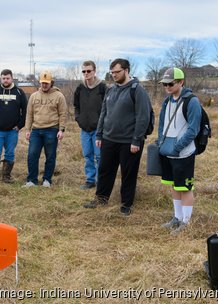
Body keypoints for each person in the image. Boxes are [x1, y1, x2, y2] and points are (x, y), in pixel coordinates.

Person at [83, 58, 152, 215]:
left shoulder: (137, 90)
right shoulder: (111, 89)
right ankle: (101, 198)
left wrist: (136, 139)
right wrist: (99, 134)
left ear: (126, 71)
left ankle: (126, 204)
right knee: (105, 170)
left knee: (128, 173)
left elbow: (143, 117)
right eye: (112, 72)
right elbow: (104, 113)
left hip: (129, 142)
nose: (114, 75)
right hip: (109, 139)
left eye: (117, 72)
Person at [157, 67, 201, 235]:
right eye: (164, 84)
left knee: (185, 188)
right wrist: (161, 141)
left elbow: (193, 129)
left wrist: (178, 147)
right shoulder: (167, 101)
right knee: (174, 186)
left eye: (170, 83)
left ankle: (186, 222)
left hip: (184, 153)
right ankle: (177, 217)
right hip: (167, 151)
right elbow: (162, 123)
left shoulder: (192, 101)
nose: (167, 87)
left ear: (181, 82)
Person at [23, 70, 67, 188]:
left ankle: (47, 180)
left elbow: (63, 114)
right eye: (42, 82)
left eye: (46, 83)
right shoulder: (34, 96)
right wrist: (27, 130)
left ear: (51, 82)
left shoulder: (59, 96)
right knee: (32, 155)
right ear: (40, 82)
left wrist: (61, 130)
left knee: (50, 156)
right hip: (36, 130)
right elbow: (29, 114)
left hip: (52, 130)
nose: (44, 85)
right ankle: (32, 180)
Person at [0, 69, 27, 183]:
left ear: (12, 78)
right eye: (3, 78)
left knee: (10, 153)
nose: (5, 80)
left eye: (7, 78)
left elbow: (25, 111)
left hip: (12, 131)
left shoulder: (19, 92)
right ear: (0, 79)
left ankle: (6, 176)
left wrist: (20, 126)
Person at [73, 60, 106, 190]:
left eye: (88, 71)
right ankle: (90, 180)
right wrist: (78, 119)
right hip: (84, 129)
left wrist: (102, 125)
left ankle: (100, 181)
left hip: (98, 130)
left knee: (99, 156)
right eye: (84, 71)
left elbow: (108, 107)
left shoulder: (102, 87)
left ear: (94, 72)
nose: (86, 73)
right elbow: (76, 106)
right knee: (87, 155)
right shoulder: (80, 88)